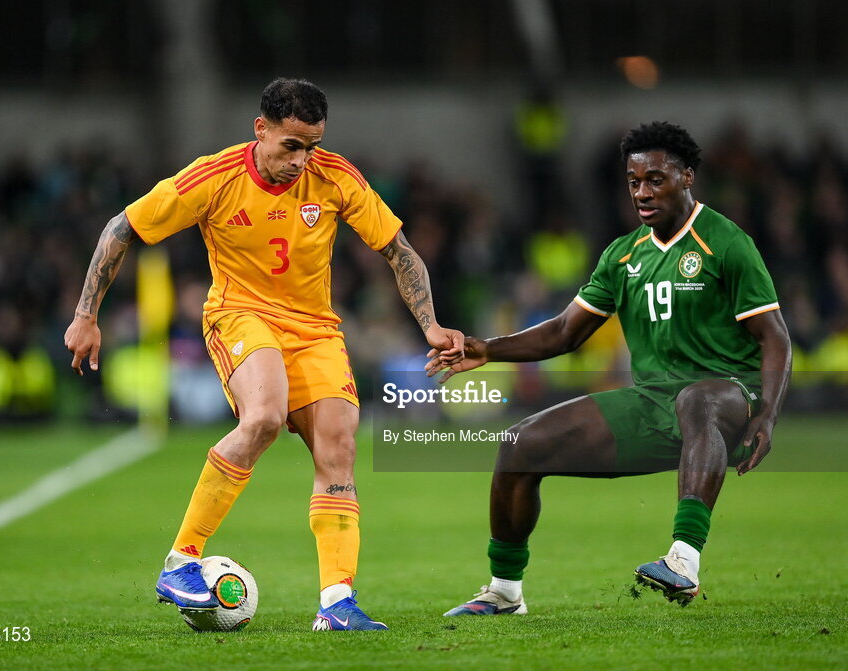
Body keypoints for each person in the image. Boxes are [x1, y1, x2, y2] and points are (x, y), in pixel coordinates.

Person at [64, 78, 463, 631]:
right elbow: (120, 227)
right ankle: (182, 560)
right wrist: (87, 314)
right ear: (262, 129)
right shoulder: (215, 176)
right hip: (240, 315)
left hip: (316, 329)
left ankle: (336, 603)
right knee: (266, 416)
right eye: (291, 145)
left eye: (313, 146)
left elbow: (400, 251)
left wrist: (430, 323)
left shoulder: (336, 177)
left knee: (339, 444)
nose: (302, 160)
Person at [433, 121, 791, 614]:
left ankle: (683, 562)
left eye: (656, 180)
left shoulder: (726, 243)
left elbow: (774, 337)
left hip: (729, 397)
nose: (642, 193)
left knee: (697, 399)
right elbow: (563, 333)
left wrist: (767, 414)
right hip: (652, 405)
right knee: (519, 446)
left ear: (687, 177)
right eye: (633, 181)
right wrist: (488, 349)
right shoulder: (624, 256)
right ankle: (504, 591)